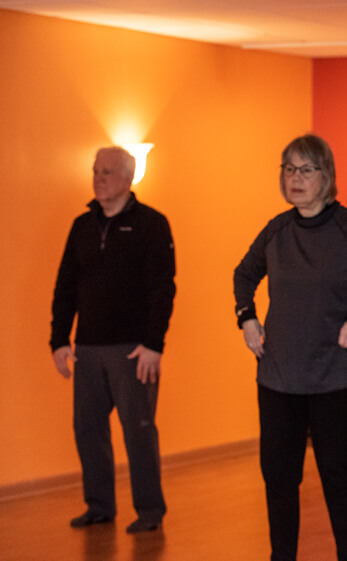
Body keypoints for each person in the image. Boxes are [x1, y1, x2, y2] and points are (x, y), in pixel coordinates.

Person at [233, 134, 347, 561]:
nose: (296, 178)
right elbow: (243, 274)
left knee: (339, 476)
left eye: (306, 169)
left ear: (326, 176)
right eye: (289, 169)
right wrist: (247, 317)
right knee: (278, 477)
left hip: (338, 377)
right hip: (279, 376)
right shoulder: (276, 230)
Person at [50, 146, 176, 534]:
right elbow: (65, 286)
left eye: (107, 172)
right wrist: (59, 339)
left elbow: (162, 289)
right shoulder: (81, 226)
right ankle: (99, 505)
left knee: (138, 429)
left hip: (133, 350)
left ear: (128, 177)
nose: (98, 178)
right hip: (87, 347)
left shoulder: (151, 224)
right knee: (88, 429)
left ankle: (150, 510)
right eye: (95, 171)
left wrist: (154, 345)